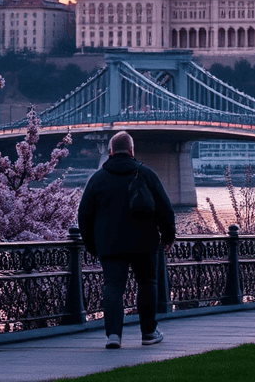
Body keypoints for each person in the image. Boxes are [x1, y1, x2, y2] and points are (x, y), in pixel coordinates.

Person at [78, 131, 176, 349]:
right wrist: (168, 236)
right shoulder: (147, 174)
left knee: (113, 286)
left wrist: (92, 245)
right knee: (147, 283)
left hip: (109, 243)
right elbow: (165, 210)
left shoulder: (97, 179)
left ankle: (113, 335)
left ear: (110, 152)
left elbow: (84, 215)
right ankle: (148, 333)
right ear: (132, 150)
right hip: (144, 241)